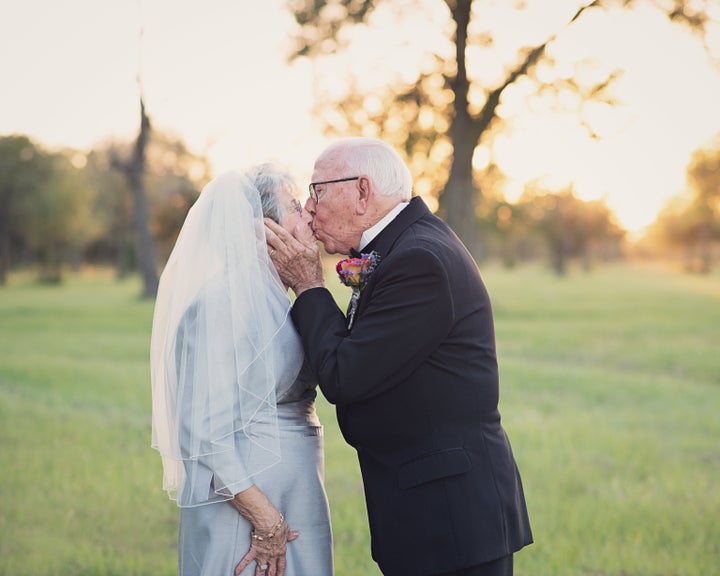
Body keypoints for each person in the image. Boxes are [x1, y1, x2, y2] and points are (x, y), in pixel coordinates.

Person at [264, 138, 532, 576]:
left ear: (362, 190)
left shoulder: (418, 260)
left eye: (318, 192)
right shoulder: (401, 247)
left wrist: (310, 285)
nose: (310, 209)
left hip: (449, 520)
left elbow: (344, 375)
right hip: (430, 513)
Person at [150, 166, 334, 576]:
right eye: (294, 207)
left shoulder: (277, 299)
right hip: (249, 506)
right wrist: (265, 518)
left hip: (293, 492)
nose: (308, 214)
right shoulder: (223, 304)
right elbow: (202, 429)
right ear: (259, 229)